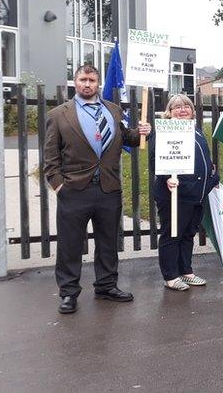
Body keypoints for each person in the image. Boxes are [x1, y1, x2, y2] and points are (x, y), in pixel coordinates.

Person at [43, 64, 151, 314]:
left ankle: (106, 286)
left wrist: (141, 132)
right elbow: (50, 157)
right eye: (83, 79)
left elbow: (126, 138)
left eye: (92, 80)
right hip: (74, 190)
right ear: (75, 82)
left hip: (108, 189)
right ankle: (68, 292)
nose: (87, 84)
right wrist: (59, 186)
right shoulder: (59, 114)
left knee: (108, 242)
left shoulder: (113, 110)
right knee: (69, 245)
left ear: (98, 83)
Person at [149, 94, 220, 291]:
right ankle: (171, 276)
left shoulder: (196, 131)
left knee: (188, 233)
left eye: (186, 107)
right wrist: (166, 178)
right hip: (175, 193)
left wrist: (212, 177)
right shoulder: (164, 131)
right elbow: (156, 160)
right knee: (172, 234)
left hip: (196, 194)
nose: (182, 110)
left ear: (192, 112)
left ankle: (186, 271)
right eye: (177, 107)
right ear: (169, 112)